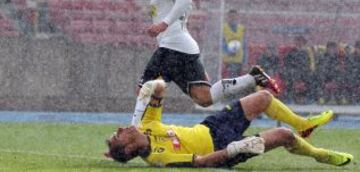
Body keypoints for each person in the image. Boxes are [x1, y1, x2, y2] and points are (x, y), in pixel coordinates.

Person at [132, 0, 280, 126]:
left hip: (172, 47)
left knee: (144, 91)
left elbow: (185, 0)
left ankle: (132, 134)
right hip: (184, 48)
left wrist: (163, 24)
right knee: (205, 98)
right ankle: (252, 78)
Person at [105, 79, 353, 168]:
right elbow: (201, 162)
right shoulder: (159, 158)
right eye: (118, 136)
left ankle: (304, 125)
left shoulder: (147, 124)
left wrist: (152, 87)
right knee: (282, 136)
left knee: (264, 97)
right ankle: (321, 156)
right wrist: (235, 150)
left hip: (211, 126)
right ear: (128, 150)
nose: (120, 129)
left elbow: (160, 89)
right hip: (223, 149)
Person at [222, 9, 247, 78]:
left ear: (237, 17)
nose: (232, 18)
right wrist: (227, 52)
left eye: (234, 16)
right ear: (228, 17)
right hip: (227, 61)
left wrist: (245, 61)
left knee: (235, 79)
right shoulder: (223, 28)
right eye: (231, 16)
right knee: (231, 79)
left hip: (238, 60)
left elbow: (245, 46)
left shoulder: (242, 29)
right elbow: (222, 44)